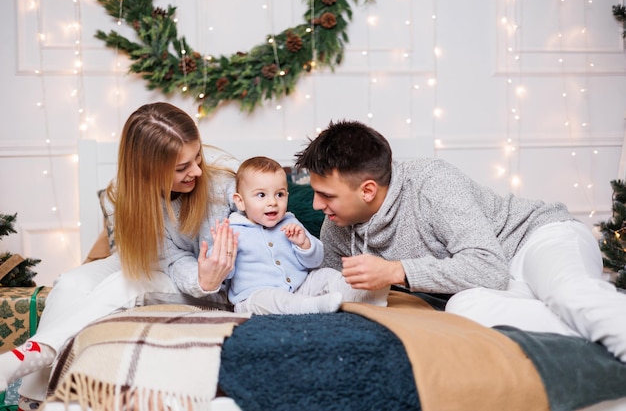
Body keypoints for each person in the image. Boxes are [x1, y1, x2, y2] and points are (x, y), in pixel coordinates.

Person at [293, 119, 626, 363]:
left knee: (569, 292)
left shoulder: (432, 184)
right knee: (463, 308)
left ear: (367, 189)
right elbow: (328, 290)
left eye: (326, 195)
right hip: (497, 288)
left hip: (535, 240)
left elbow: (489, 267)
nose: (316, 206)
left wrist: (396, 271)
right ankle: (582, 325)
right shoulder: (338, 226)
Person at [0, 102, 239, 406]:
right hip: (156, 260)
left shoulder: (224, 185)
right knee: (70, 282)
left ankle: (23, 365)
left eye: (197, 157)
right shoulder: (124, 196)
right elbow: (154, 256)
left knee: (122, 286)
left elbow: (184, 264)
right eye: (181, 168)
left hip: (202, 281)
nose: (197, 170)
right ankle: (31, 396)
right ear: (147, 171)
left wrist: (203, 280)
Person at [226, 156, 389, 315]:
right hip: (254, 297)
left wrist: (304, 244)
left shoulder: (290, 222)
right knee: (271, 299)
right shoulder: (231, 232)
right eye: (261, 195)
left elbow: (316, 261)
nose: (273, 202)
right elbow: (221, 274)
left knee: (326, 275)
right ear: (240, 201)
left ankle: (365, 294)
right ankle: (313, 306)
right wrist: (225, 256)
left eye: (279, 194)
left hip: (300, 287)